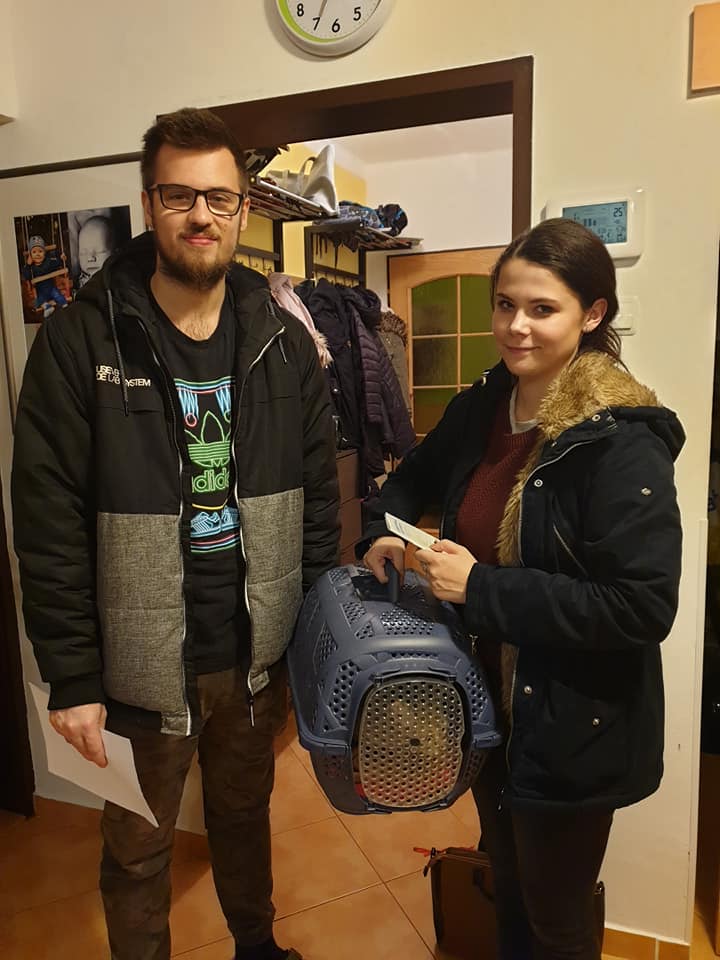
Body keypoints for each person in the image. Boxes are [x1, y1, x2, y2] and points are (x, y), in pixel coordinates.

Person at [12, 107, 340, 960]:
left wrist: (308, 643)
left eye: (220, 198)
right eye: (179, 195)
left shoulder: (283, 341)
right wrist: (72, 677)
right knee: (137, 850)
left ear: (244, 210)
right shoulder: (80, 339)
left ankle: (256, 947)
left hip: (253, 656)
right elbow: (47, 519)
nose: (201, 215)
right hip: (137, 667)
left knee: (244, 816)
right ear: (148, 203)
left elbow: (317, 507)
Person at [361, 218, 683, 960]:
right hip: (486, 702)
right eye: (505, 305)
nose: (516, 327)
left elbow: (639, 606)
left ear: (592, 314)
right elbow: (409, 478)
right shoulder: (484, 404)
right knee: (505, 882)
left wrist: (481, 588)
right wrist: (383, 529)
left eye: (542, 309)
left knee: (556, 921)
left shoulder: (618, 437)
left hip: (571, 724)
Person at [21, 234, 69, 318]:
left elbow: (56, 263)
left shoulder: (48, 262)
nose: (37, 254)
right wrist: (28, 264)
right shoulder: (31, 268)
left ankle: (65, 306)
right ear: (30, 255)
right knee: (37, 301)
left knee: (58, 295)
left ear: (44, 253)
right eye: (34, 252)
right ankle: (48, 307)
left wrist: (61, 258)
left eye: (40, 251)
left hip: (51, 288)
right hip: (40, 291)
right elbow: (26, 276)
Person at [76, 214, 113, 288]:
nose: (90, 259)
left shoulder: (117, 280)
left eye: (99, 251)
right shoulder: (77, 283)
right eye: (83, 253)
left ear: (115, 252)